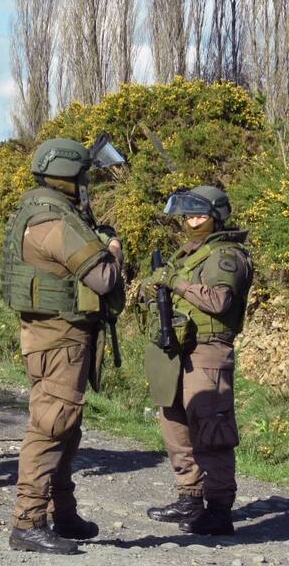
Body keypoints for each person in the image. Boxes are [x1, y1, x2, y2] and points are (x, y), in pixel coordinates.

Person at [1, 137, 126, 554]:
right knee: (51, 425)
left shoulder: (35, 210)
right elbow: (102, 279)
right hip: (61, 336)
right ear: (70, 176)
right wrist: (113, 250)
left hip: (50, 335)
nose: (88, 181)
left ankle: (63, 513)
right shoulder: (56, 219)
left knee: (64, 425)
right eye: (85, 175)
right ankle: (28, 521)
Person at [142, 186, 253, 536]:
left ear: (216, 216)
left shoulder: (226, 256)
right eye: (188, 216)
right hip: (175, 350)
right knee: (174, 423)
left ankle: (219, 510)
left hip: (208, 349)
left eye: (199, 215)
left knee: (211, 431)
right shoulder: (188, 254)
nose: (192, 221)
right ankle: (190, 497)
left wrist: (174, 282)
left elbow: (219, 301)